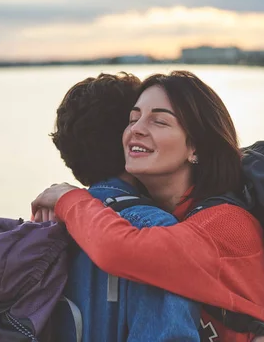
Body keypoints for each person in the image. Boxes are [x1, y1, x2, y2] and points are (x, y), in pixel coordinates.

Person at [33, 71, 264, 342]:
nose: (136, 128)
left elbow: (120, 250)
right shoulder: (168, 214)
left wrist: (69, 198)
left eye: (159, 121)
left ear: (195, 148)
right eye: (133, 118)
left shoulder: (225, 224)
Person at [43, 72, 201, 341]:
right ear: (126, 137)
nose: (139, 128)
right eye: (134, 119)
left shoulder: (50, 218)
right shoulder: (153, 228)